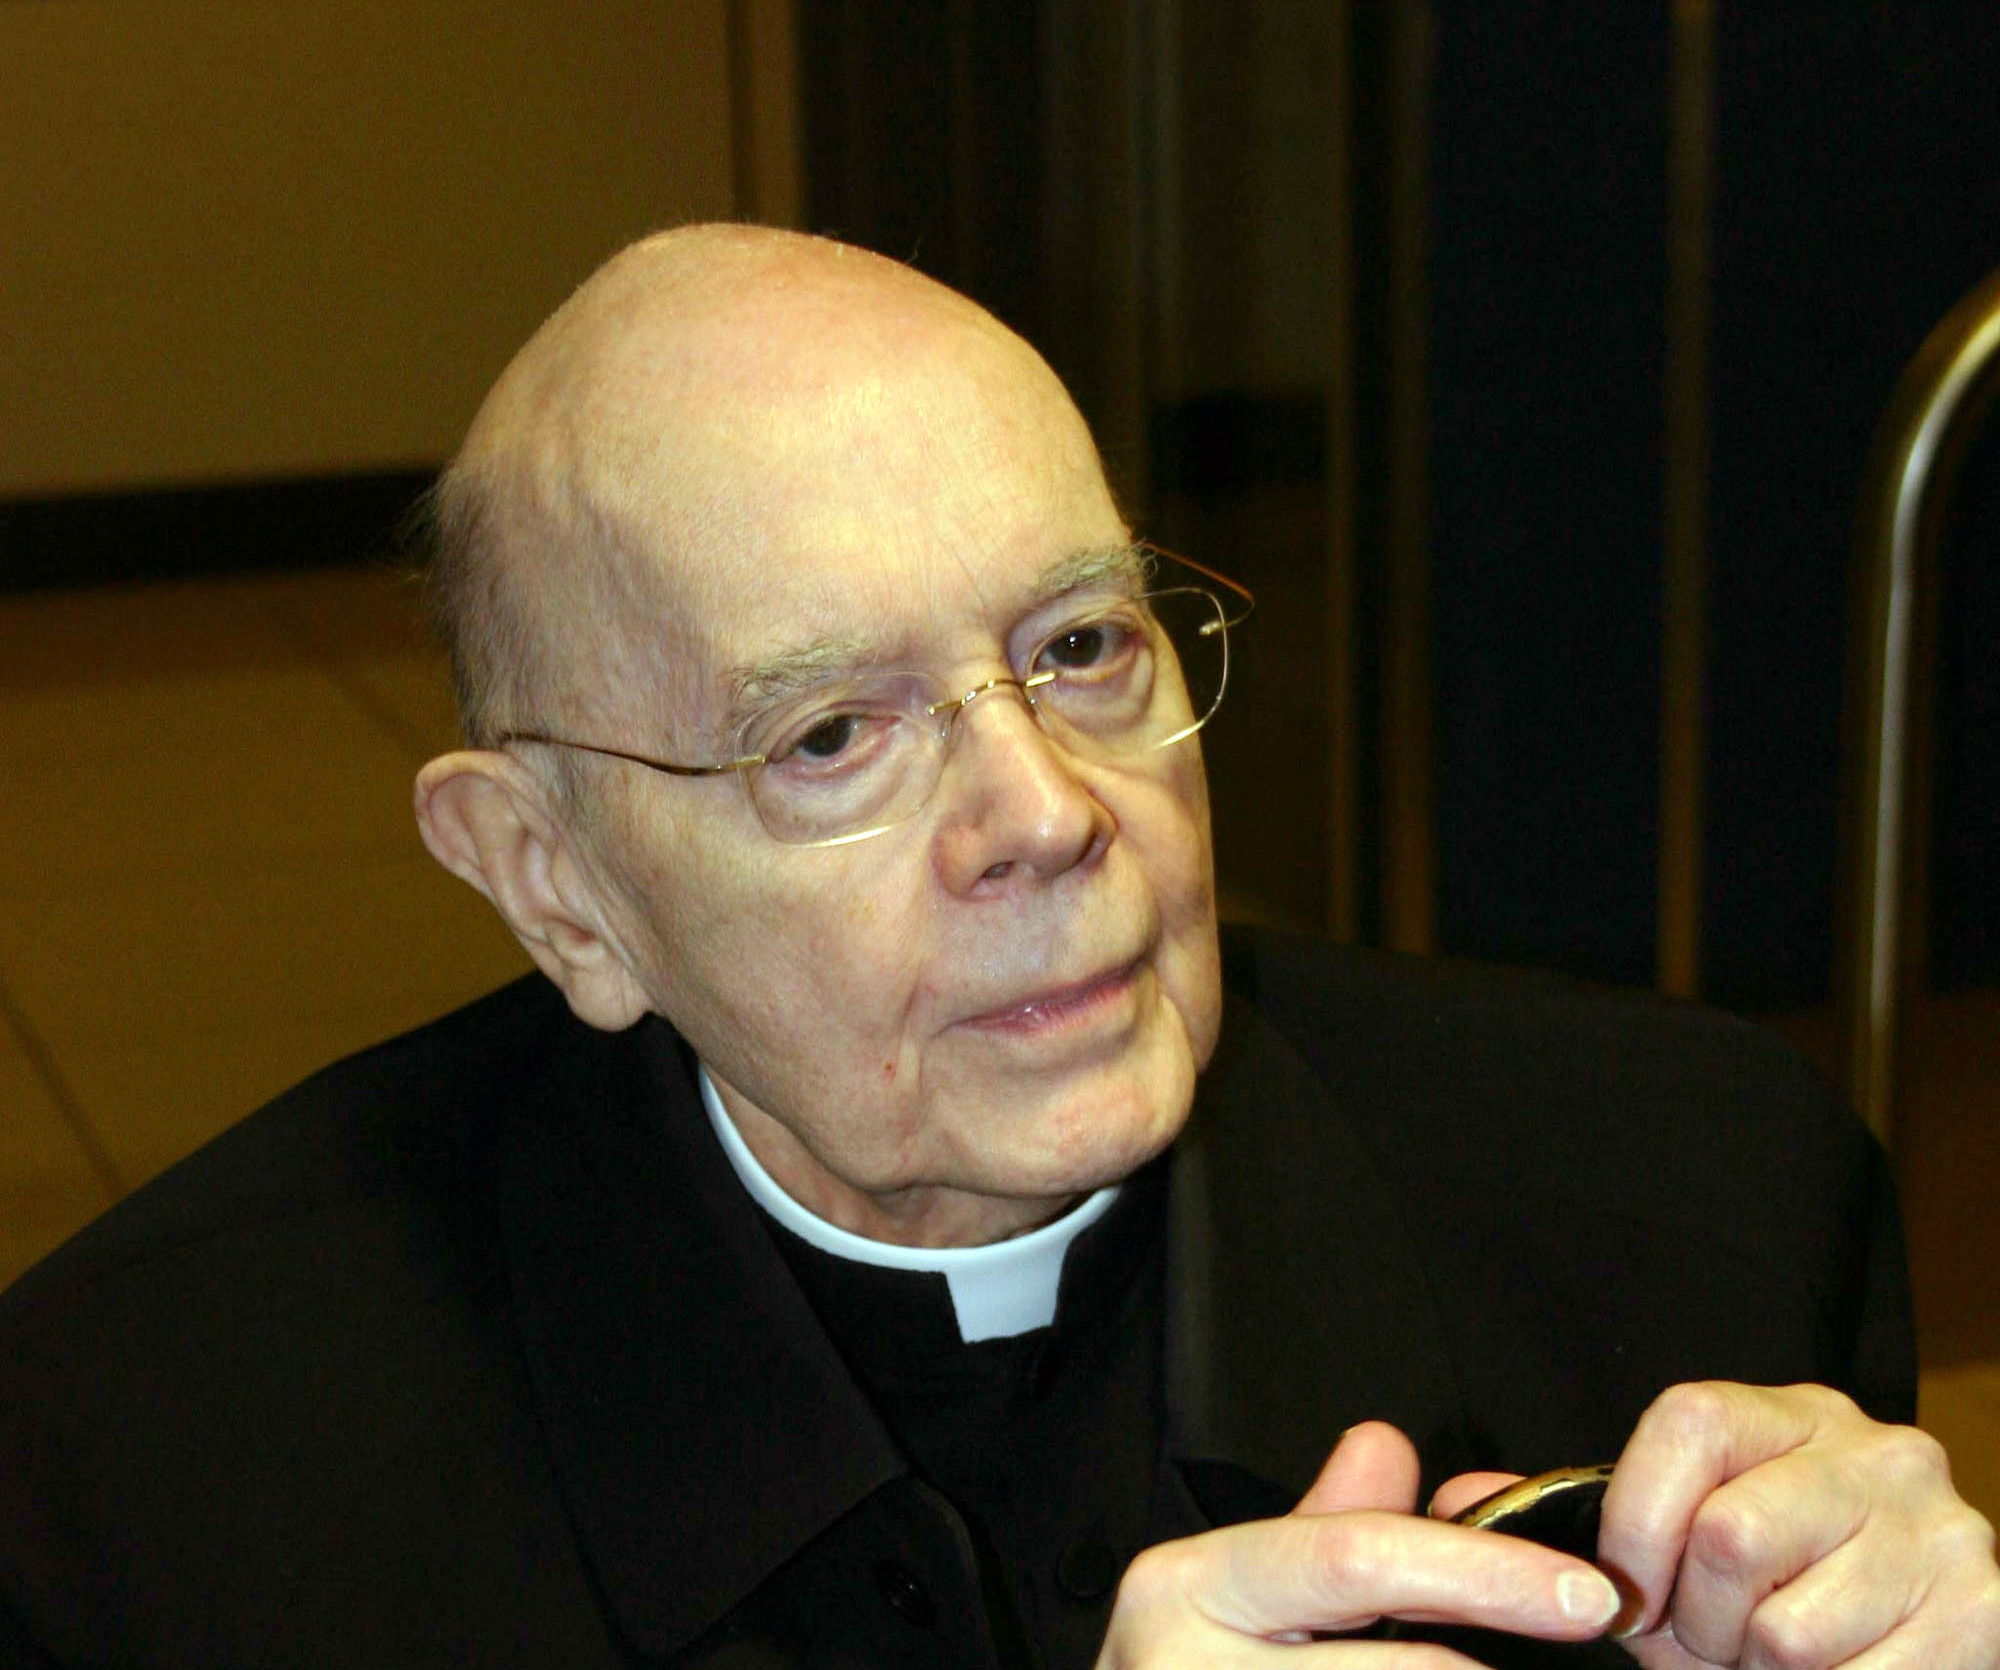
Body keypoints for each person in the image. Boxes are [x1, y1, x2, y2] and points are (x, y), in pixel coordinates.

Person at [1, 224, 1994, 1670]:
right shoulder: (152, 1484)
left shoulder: (1706, 1210)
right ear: (555, 886)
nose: (1048, 810)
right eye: (829, 737)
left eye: (1083, 643)